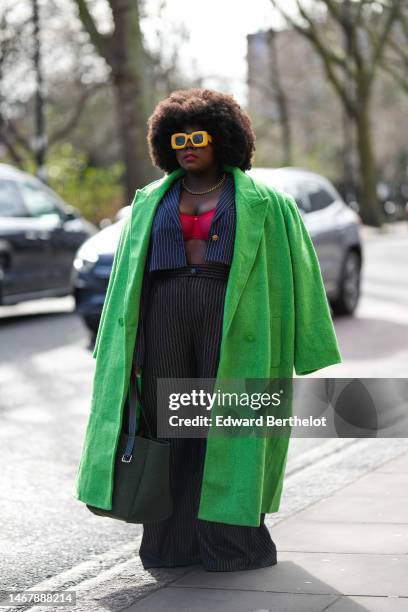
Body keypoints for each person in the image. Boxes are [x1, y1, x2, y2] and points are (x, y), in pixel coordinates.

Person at [74, 87, 342, 574]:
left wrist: (310, 346)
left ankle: (231, 546)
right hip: (163, 321)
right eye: (177, 138)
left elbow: (299, 275)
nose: (187, 145)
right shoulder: (149, 201)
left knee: (232, 429)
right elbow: (125, 279)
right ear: (164, 145)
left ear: (223, 138)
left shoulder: (268, 203)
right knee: (167, 426)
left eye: (197, 136)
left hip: (236, 320)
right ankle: (169, 545)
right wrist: (118, 346)